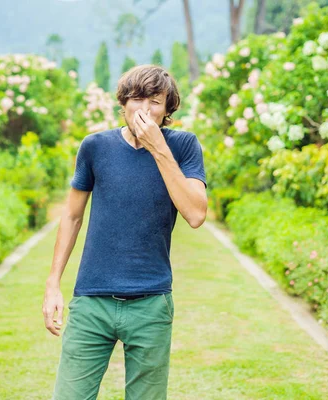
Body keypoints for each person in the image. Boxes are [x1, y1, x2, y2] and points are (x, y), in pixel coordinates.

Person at [43, 64, 207, 400]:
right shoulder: (95, 147)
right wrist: (52, 285)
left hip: (151, 303)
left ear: (168, 110)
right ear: (123, 103)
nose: (145, 109)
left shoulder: (184, 147)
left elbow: (195, 214)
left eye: (156, 102)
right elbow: (72, 216)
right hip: (91, 302)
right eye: (137, 98)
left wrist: (158, 148)